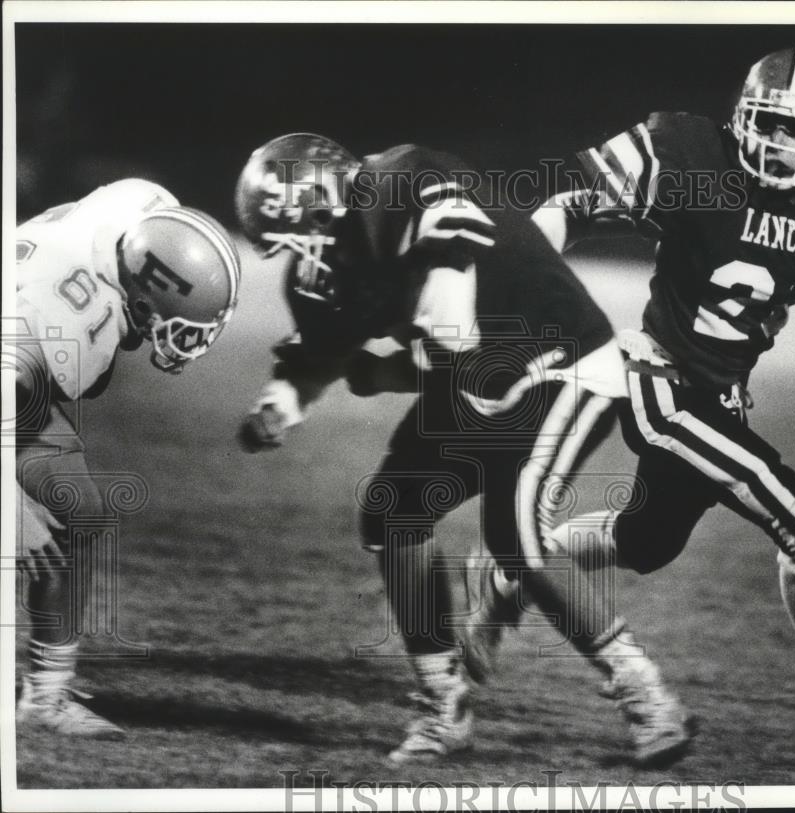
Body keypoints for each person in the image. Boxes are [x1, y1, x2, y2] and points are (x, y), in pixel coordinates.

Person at [467, 47, 795, 745]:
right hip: (655, 375)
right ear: (741, 119)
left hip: (721, 393)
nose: (783, 144)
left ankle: (509, 571)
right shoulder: (691, 154)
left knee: (645, 542)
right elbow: (568, 205)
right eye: (770, 124)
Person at [234, 133, 693, 765]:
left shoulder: (399, 179)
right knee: (394, 511)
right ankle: (442, 704)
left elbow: (451, 292)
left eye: (300, 232)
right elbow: (321, 357)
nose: (301, 255)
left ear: (324, 200)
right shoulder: (326, 272)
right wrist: (277, 406)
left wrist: (404, 359)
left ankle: (647, 696)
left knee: (518, 540)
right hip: (475, 378)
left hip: (561, 358)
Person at [14, 180, 242, 738]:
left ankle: (44, 698)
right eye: (184, 327)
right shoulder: (67, 317)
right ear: (143, 300)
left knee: (81, 510)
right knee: (22, 533)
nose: (189, 342)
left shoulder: (137, 213)